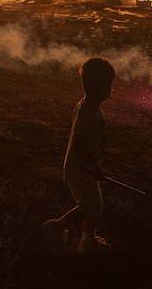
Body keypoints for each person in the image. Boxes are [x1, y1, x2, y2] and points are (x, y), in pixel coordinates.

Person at [44, 58, 116, 254]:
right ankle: (57, 227)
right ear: (100, 87)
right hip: (80, 169)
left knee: (91, 204)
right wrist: (95, 168)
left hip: (82, 168)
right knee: (91, 207)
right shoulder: (88, 113)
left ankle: (88, 240)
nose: (111, 89)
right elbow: (80, 144)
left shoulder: (87, 106)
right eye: (109, 85)